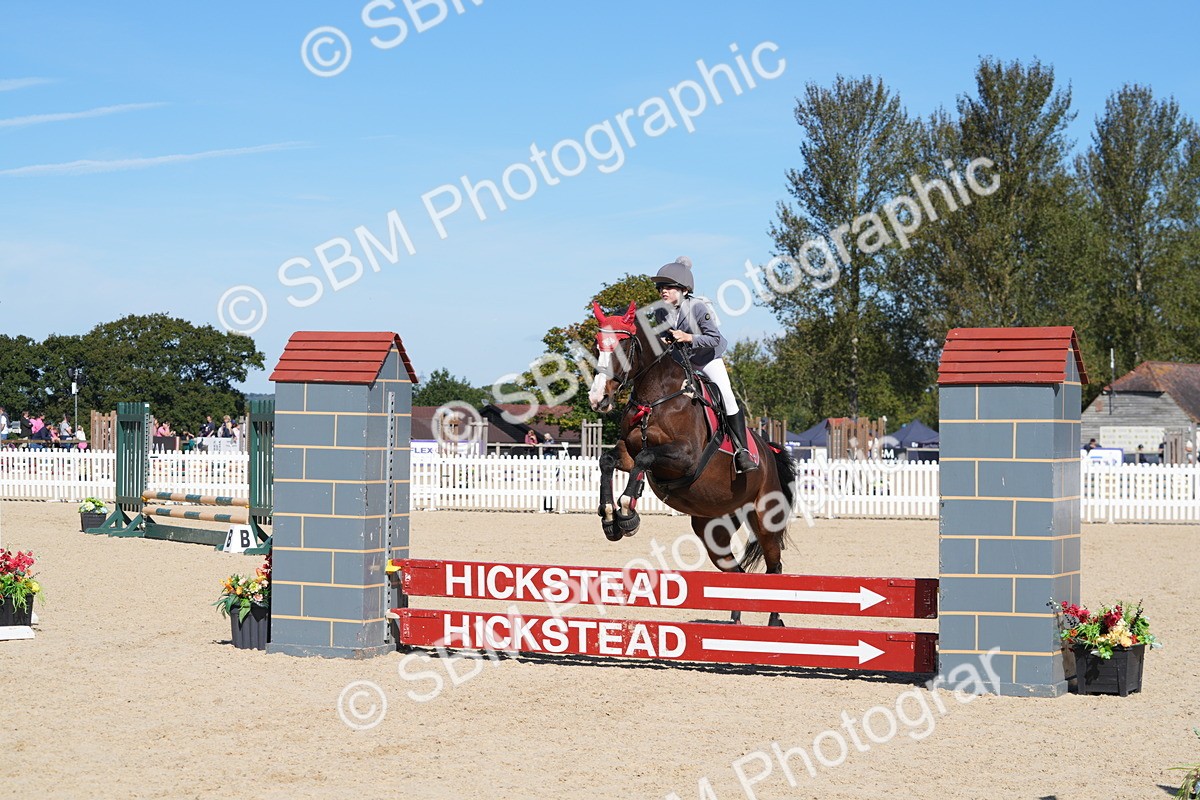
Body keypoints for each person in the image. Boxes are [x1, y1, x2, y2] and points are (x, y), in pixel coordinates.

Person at [651, 256, 757, 472]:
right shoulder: (660, 311)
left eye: (669, 287)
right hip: (683, 361)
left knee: (726, 396)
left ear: (684, 290)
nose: (663, 291)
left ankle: (742, 451)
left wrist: (688, 337)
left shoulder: (699, 307)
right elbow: (665, 337)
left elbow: (715, 338)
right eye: (661, 287)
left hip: (707, 358)